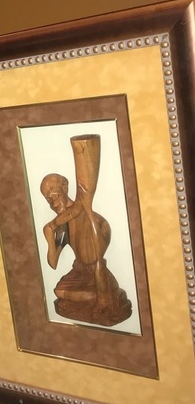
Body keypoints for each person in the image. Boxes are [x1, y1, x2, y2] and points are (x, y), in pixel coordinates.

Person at [40, 135, 132, 326]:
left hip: (98, 274)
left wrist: (56, 223)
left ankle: (104, 297)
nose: (53, 203)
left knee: (95, 272)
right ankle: (95, 297)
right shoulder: (63, 226)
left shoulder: (92, 219)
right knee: (59, 291)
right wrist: (49, 236)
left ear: (65, 188)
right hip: (79, 273)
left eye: (55, 195)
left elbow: (98, 256)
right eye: (48, 199)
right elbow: (53, 263)